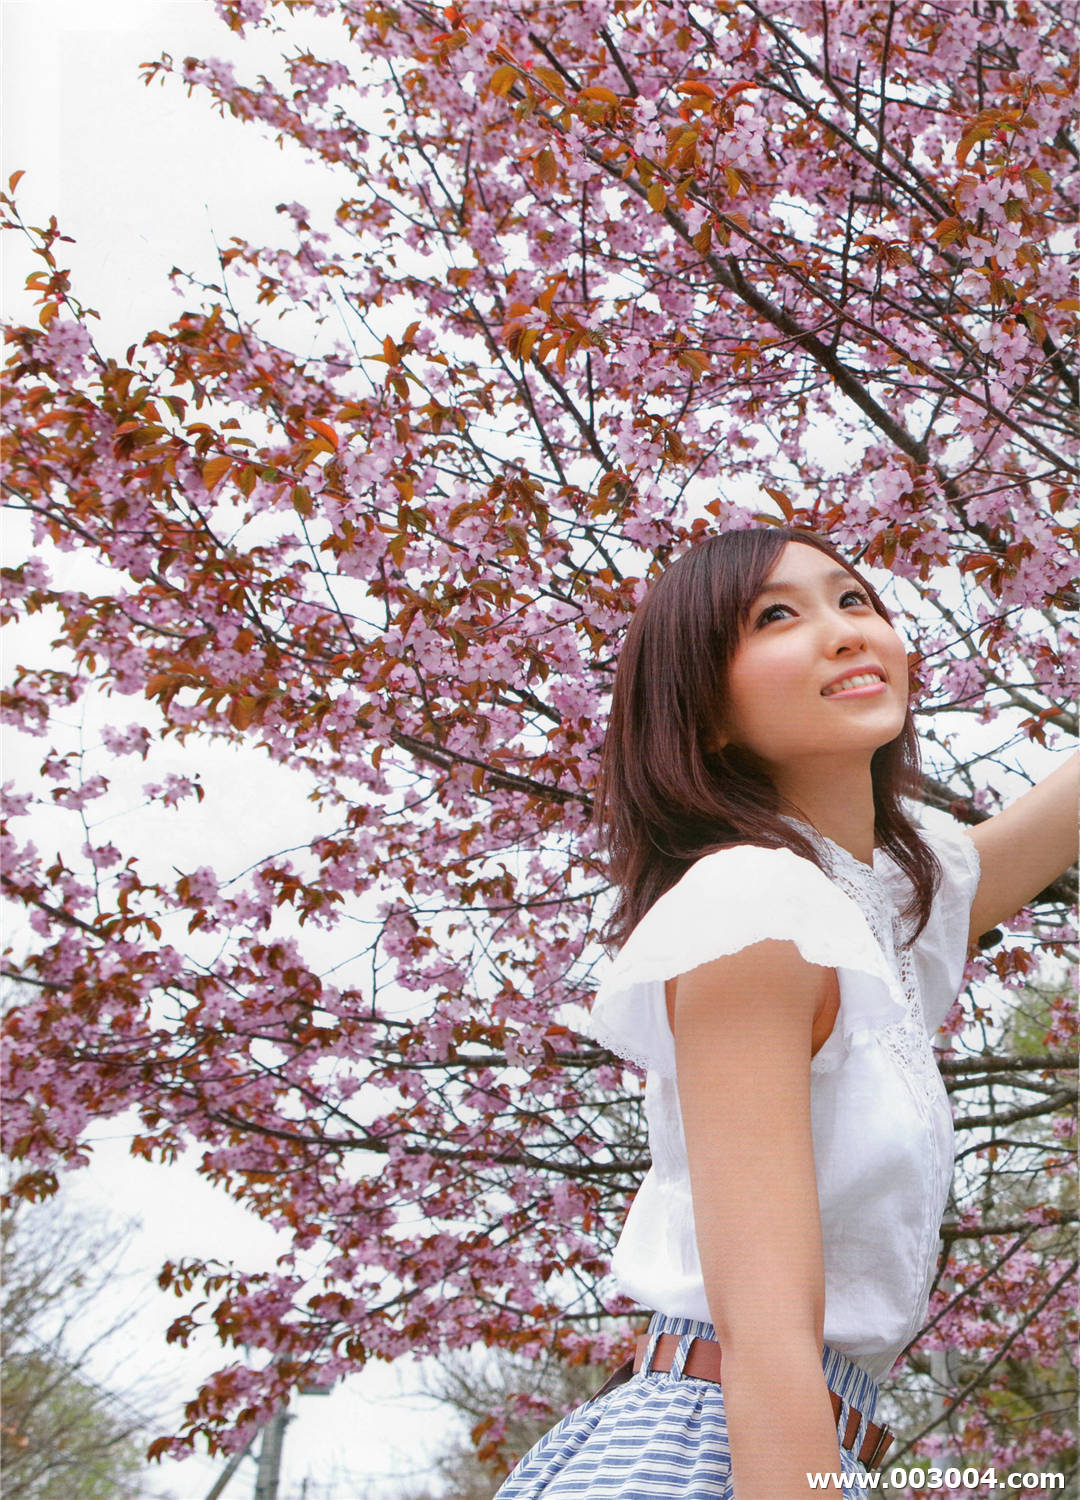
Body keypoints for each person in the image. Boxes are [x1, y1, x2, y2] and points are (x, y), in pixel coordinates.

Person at [493, 526, 1077, 1500]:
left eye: (855, 602)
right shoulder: (754, 906)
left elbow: (1054, 819)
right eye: (777, 616)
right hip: (724, 1442)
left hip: (795, 1441)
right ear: (707, 715)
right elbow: (763, 1327)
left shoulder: (881, 908)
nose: (844, 632)